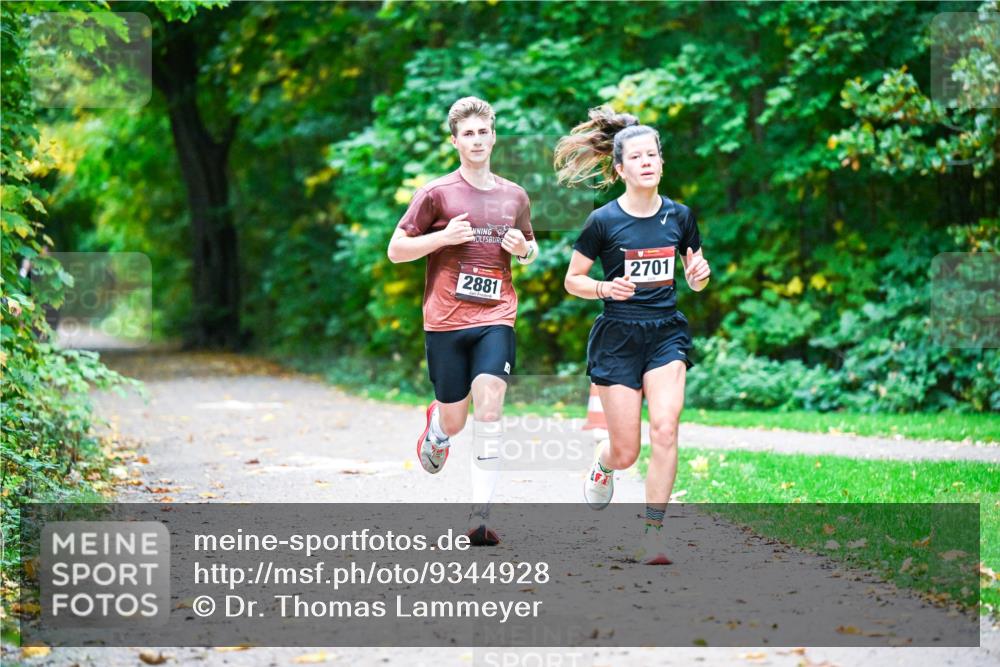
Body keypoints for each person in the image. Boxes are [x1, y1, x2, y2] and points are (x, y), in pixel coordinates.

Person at [554, 106, 711, 564]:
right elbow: (573, 280)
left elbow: (695, 276)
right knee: (627, 451)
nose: (647, 162)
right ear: (620, 168)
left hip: (665, 335)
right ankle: (605, 462)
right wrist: (605, 287)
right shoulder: (603, 221)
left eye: (653, 155)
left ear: (661, 163)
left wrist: (699, 273)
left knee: (665, 429)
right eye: (637, 157)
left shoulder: (680, 217)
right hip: (618, 337)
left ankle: (653, 534)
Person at [387, 97, 539, 546]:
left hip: (497, 316)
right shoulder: (436, 193)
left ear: (494, 136)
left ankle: (479, 517)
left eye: (483, 131)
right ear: (455, 141)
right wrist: (441, 238)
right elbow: (396, 250)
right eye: (467, 133)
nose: (476, 140)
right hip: (446, 320)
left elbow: (531, 250)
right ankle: (438, 426)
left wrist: (523, 250)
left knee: (490, 407)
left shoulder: (515, 195)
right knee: (456, 422)